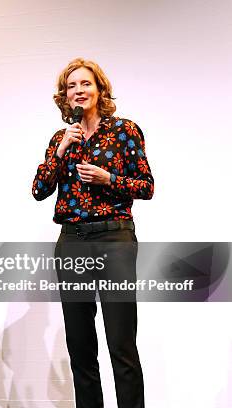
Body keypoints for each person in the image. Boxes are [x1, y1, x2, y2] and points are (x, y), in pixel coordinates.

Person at [32, 58, 154, 408]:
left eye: (85, 84)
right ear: (64, 96)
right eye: (71, 86)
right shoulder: (61, 137)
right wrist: (59, 151)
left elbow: (146, 186)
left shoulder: (124, 131)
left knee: (120, 342)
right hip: (72, 242)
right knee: (80, 344)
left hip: (114, 239)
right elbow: (40, 190)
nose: (78, 91)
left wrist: (109, 179)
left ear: (100, 90)